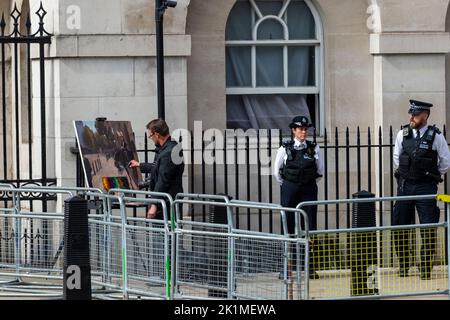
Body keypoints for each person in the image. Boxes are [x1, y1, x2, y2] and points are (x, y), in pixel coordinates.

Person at [393, 99, 450, 280]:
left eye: (416, 114)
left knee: (427, 228)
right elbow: (396, 158)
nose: (412, 117)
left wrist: (430, 176)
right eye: (411, 114)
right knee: (400, 226)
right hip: (406, 185)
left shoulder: (436, 136)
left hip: (426, 186)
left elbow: (445, 162)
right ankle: (403, 266)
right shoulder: (402, 134)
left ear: (425, 115)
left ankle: (425, 269)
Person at [273, 115, 324, 279]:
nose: (303, 132)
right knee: (287, 227)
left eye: (305, 129)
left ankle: (310, 267)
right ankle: (286, 269)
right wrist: (288, 184)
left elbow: (320, 171)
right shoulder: (284, 148)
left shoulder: (314, 148)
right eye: (300, 129)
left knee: (309, 227)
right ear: (293, 130)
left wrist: (306, 183)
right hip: (290, 189)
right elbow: (276, 172)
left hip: (308, 189)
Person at [129, 118, 184, 220]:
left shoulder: (168, 153)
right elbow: (159, 167)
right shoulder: (173, 146)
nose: (151, 139)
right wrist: (139, 165)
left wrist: (154, 205)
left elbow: (163, 180)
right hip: (170, 199)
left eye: (150, 136)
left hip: (166, 202)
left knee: (163, 233)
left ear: (157, 135)